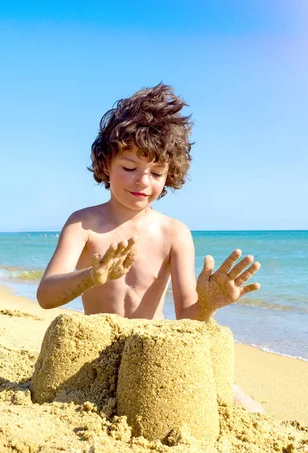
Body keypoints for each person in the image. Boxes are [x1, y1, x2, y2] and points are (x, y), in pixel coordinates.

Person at [37, 83, 263, 412]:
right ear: (105, 164)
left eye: (156, 173)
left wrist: (210, 304)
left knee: (241, 402)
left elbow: (189, 316)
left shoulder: (174, 233)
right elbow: (45, 296)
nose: (142, 181)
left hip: (151, 354)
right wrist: (92, 276)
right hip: (97, 353)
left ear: (170, 175)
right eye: (129, 168)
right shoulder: (83, 224)